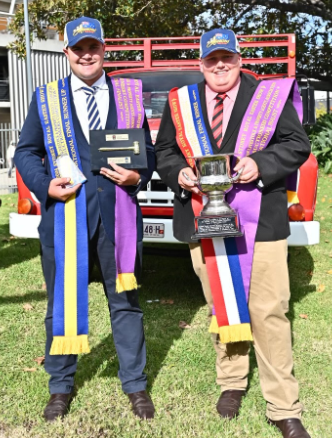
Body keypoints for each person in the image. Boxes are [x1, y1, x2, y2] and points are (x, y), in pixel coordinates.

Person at [154, 28, 311, 438]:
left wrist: (261, 162)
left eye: (227, 58)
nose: (219, 65)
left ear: (239, 60)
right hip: (202, 216)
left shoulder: (267, 96)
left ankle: (283, 405)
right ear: (201, 63)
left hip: (262, 222)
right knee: (221, 302)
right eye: (211, 59)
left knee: (269, 310)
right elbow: (165, 152)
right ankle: (231, 382)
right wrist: (179, 173)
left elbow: (297, 145)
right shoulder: (181, 101)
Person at [15, 17, 155, 422]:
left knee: (126, 303)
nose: (86, 54)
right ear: (67, 53)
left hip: (119, 218)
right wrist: (45, 185)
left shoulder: (129, 94)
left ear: (104, 50)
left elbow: (144, 148)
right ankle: (60, 386)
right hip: (64, 218)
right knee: (60, 303)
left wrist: (138, 176)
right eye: (79, 48)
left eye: (93, 46)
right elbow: (25, 151)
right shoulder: (46, 97)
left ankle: (136, 385)